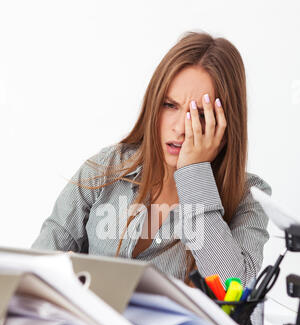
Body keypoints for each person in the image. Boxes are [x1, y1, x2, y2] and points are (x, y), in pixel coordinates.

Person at [31, 30, 271, 288]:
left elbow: (232, 289)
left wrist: (194, 174)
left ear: (225, 126)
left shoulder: (249, 196)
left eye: (200, 114)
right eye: (170, 105)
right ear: (154, 104)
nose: (180, 128)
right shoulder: (106, 169)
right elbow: (35, 270)